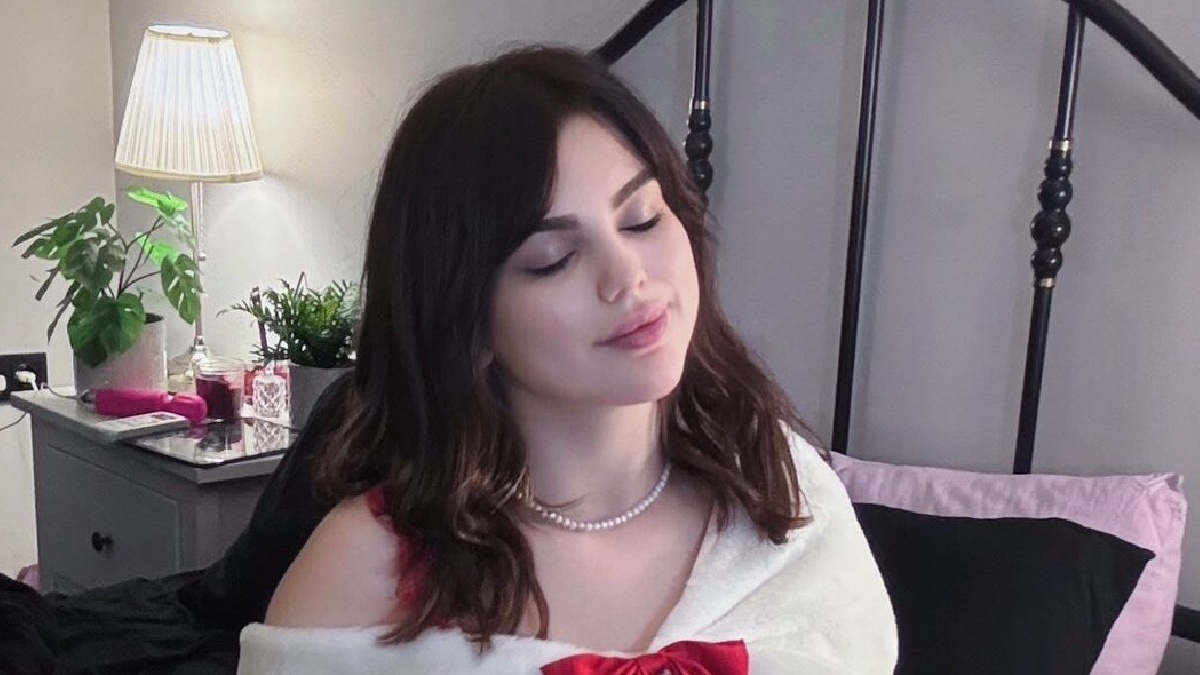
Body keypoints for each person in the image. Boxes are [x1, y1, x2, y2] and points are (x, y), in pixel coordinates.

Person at [237, 45, 896, 675]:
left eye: (642, 219)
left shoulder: (781, 488)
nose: (628, 276)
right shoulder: (360, 575)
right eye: (553, 260)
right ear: (466, 319)